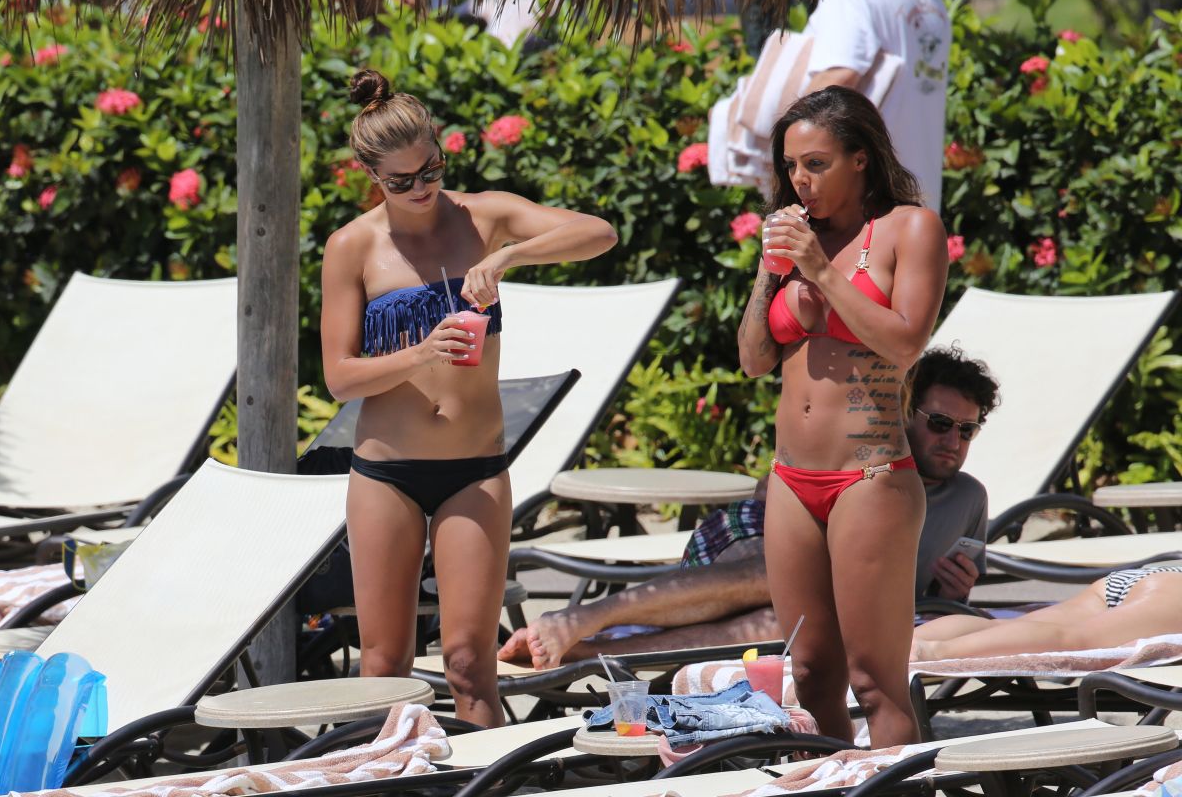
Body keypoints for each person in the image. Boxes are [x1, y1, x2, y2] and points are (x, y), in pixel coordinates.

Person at [320, 69, 616, 727]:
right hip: (385, 471)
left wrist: (511, 258)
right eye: (402, 181)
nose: (423, 189)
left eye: (431, 169)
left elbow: (600, 233)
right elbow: (339, 377)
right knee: (382, 666)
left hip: (475, 469)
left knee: (467, 663)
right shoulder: (353, 247)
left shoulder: (483, 218)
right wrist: (422, 352)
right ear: (371, 174)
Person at [497, 345, 998, 669]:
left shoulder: (970, 498)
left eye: (967, 429)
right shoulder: (867, 449)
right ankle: (585, 618)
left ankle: (588, 655)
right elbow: (771, 492)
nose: (953, 439)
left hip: (833, 598)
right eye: (939, 423)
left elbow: (935, 601)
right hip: (758, 537)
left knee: (788, 621)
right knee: (785, 579)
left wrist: (955, 589)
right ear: (906, 414)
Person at [737, 86, 948, 747]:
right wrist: (767, 276)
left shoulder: (909, 230)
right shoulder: (800, 237)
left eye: (817, 164)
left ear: (861, 158)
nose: (800, 180)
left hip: (870, 477)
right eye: (791, 166)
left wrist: (820, 272)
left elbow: (906, 341)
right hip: (792, 481)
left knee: (875, 680)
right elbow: (752, 360)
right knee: (811, 671)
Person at [801, 0, 951, 213]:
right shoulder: (932, 3)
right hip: (914, 205)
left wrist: (779, 149)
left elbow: (838, 77)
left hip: (860, 213)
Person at [911, 564, 1182, 661]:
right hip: (1171, 590)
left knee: (997, 628)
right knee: (1075, 641)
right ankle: (931, 653)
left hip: (1152, 580)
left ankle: (904, 647)